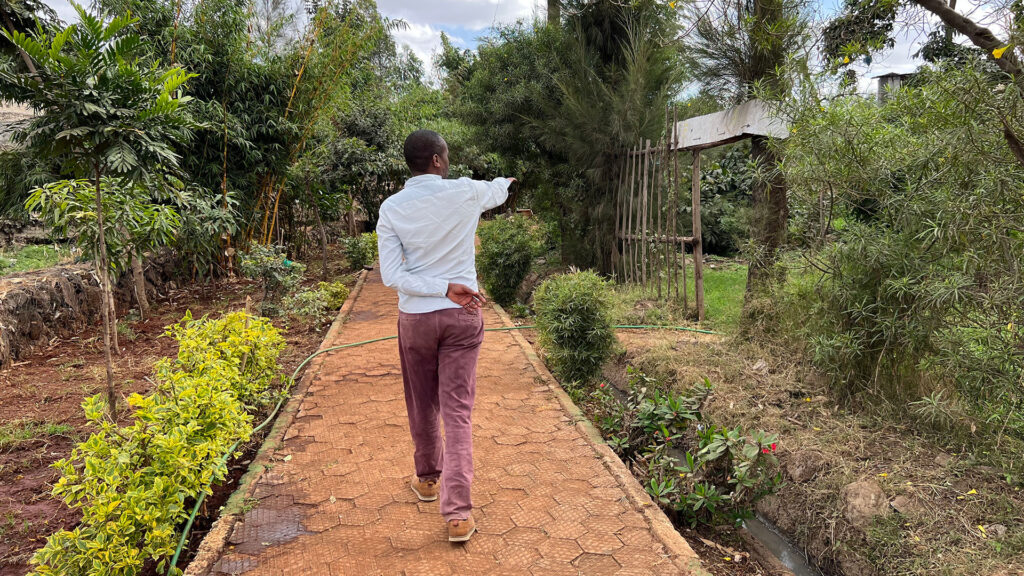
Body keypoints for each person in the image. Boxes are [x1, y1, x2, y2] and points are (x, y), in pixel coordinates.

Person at [376, 129, 516, 543]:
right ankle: (457, 515)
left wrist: (437, 288)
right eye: (447, 155)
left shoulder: (391, 208)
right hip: (462, 314)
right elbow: (497, 192)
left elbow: (391, 276)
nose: (448, 160)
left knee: (422, 402)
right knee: (457, 412)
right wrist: (505, 183)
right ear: (437, 160)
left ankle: (427, 481)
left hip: (416, 320)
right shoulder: (466, 193)